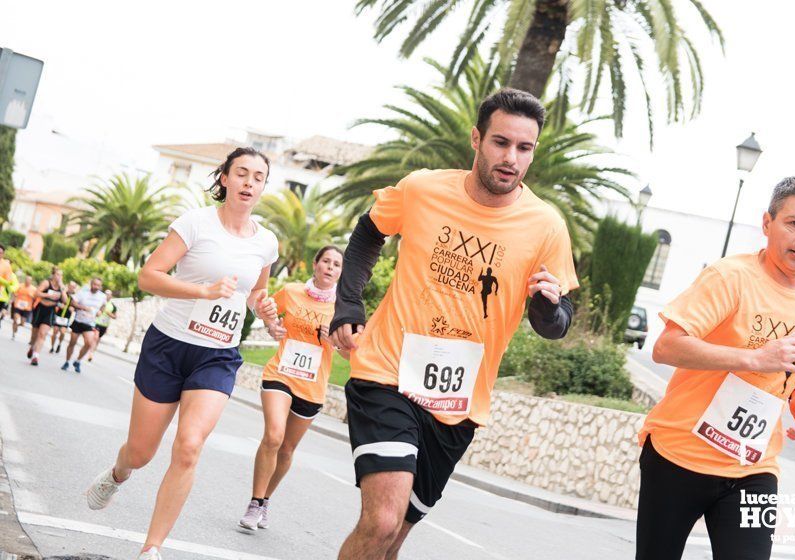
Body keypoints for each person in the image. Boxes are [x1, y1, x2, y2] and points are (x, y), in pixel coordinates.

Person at [329, 88, 578, 559]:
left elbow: (556, 322)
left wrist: (548, 309)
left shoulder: (546, 225)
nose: (511, 158)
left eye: (524, 148)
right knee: (381, 521)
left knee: (395, 536)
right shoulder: (424, 189)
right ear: (476, 139)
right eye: (501, 143)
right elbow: (368, 232)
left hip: (459, 401)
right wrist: (348, 303)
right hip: (387, 373)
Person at [84, 147, 279, 560]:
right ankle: (119, 473)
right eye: (241, 173)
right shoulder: (195, 223)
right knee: (141, 451)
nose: (249, 182)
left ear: (263, 186)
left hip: (218, 354)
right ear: (224, 179)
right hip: (169, 346)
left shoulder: (267, 242)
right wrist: (201, 291)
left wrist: (265, 307)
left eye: (258, 177)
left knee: (189, 445)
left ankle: (151, 549)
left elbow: (255, 291)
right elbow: (149, 276)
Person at [635, 177, 795, 560]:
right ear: (767, 224)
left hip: (754, 467)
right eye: (794, 223)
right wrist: (753, 358)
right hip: (680, 455)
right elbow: (665, 347)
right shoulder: (729, 277)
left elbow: (792, 372)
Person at [238, 245, 347, 531]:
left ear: (340, 272)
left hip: (312, 386)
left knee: (286, 449)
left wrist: (334, 341)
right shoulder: (291, 291)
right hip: (281, 373)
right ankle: (253, 502)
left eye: (336, 264)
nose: (330, 267)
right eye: (326, 261)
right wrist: (272, 326)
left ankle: (264, 502)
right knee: (273, 436)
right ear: (315, 264)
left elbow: (352, 352)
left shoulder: (343, 308)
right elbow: (266, 311)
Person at [61, 277, 107, 374]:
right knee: (72, 343)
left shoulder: (102, 296)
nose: (96, 287)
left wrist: (100, 311)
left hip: (89, 323)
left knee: (89, 343)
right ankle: (67, 361)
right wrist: (83, 307)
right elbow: (72, 303)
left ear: (100, 286)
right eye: (94, 284)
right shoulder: (83, 293)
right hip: (78, 321)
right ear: (91, 284)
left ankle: (77, 361)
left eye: (98, 285)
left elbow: (103, 306)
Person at [27, 266, 66, 366]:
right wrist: (48, 295)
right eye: (58, 274)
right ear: (53, 275)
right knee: (34, 334)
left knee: (42, 334)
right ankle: (32, 347)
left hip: (51, 311)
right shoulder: (46, 283)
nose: (59, 277)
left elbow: (65, 301)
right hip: (40, 309)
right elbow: (36, 293)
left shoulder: (62, 287)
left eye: (61, 275)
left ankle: (36, 356)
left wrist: (62, 289)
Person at [88, 289, 117, 361]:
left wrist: (108, 313)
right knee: (96, 337)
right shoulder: (100, 302)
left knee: (98, 340)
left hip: (104, 325)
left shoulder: (113, 306)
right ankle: (90, 353)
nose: (107, 295)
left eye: (108, 294)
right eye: (106, 294)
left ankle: (92, 351)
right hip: (97, 322)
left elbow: (115, 316)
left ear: (111, 296)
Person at [50, 281, 78, 354]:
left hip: (66, 318)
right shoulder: (62, 293)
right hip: (58, 315)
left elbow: (76, 306)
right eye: (70, 286)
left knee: (62, 332)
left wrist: (73, 309)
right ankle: (52, 347)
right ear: (68, 286)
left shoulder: (75, 296)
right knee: (55, 331)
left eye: (73, 287)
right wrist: (59, 305)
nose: (71, 288)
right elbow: (56, 301)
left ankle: (59, 344)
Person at [11, 275, 36, 340]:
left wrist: (32, 296)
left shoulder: (33, 289)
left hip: (27, 308)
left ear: (31, 281)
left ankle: (17, 326)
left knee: (22, 323)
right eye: (26, 279)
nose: (27, 281)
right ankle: (13, 333)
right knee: (16, 319)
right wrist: (14, 298)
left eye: (29, 280)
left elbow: (36, 298)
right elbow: (14, 292)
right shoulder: (20, 286)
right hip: (18, 306)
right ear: (25, 280)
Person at [0, 244, 19, 329]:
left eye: (0, 253)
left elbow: (11, 283)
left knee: (3, 312)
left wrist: (10, 289)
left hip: (2, 296)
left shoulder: (7, 267)